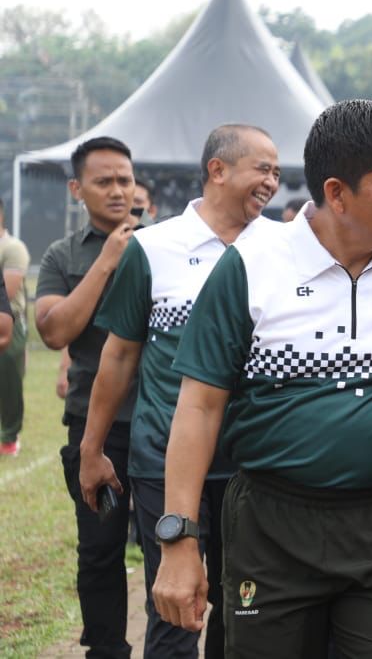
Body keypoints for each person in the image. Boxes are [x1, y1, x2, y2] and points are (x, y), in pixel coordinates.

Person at [151, 100, 372, 657]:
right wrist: (179, 540)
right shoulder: (250, 265)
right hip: (272, 530)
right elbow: (199, 407)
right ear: (336, 193)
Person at [78, 124, 281, 658]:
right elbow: (119, 356)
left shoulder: (283, 249)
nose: (272, 182)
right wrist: (92, 448)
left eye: (277, 173)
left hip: (253, 466)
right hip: (162, 464)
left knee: (245, 614)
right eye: (263, 169)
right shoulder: (151, 247)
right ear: (218, 170)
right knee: (173, 613)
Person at [35, 135, 138, 659]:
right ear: (77, 189)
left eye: (125, 179)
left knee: (173, 543)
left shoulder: (164, 244)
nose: (118, 190)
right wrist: (107, 259)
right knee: (99, 549)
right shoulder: (63, 255)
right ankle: (107, 649)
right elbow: (55, 331)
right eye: (104, 181)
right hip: (94, 426)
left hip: (164, 420)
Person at [0, 196, 30, 456]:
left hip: (8, 322)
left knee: (8, 382)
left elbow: (7, 292)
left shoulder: (12, 248)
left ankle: (9, 437)